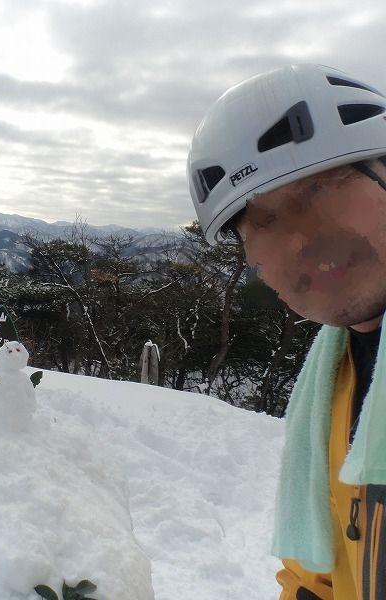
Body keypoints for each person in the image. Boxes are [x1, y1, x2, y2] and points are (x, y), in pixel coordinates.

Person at [187, 64, 386, 600]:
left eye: (321, 189)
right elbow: (316, 578)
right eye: (264, 223)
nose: (300, 241)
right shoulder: (333, 385)